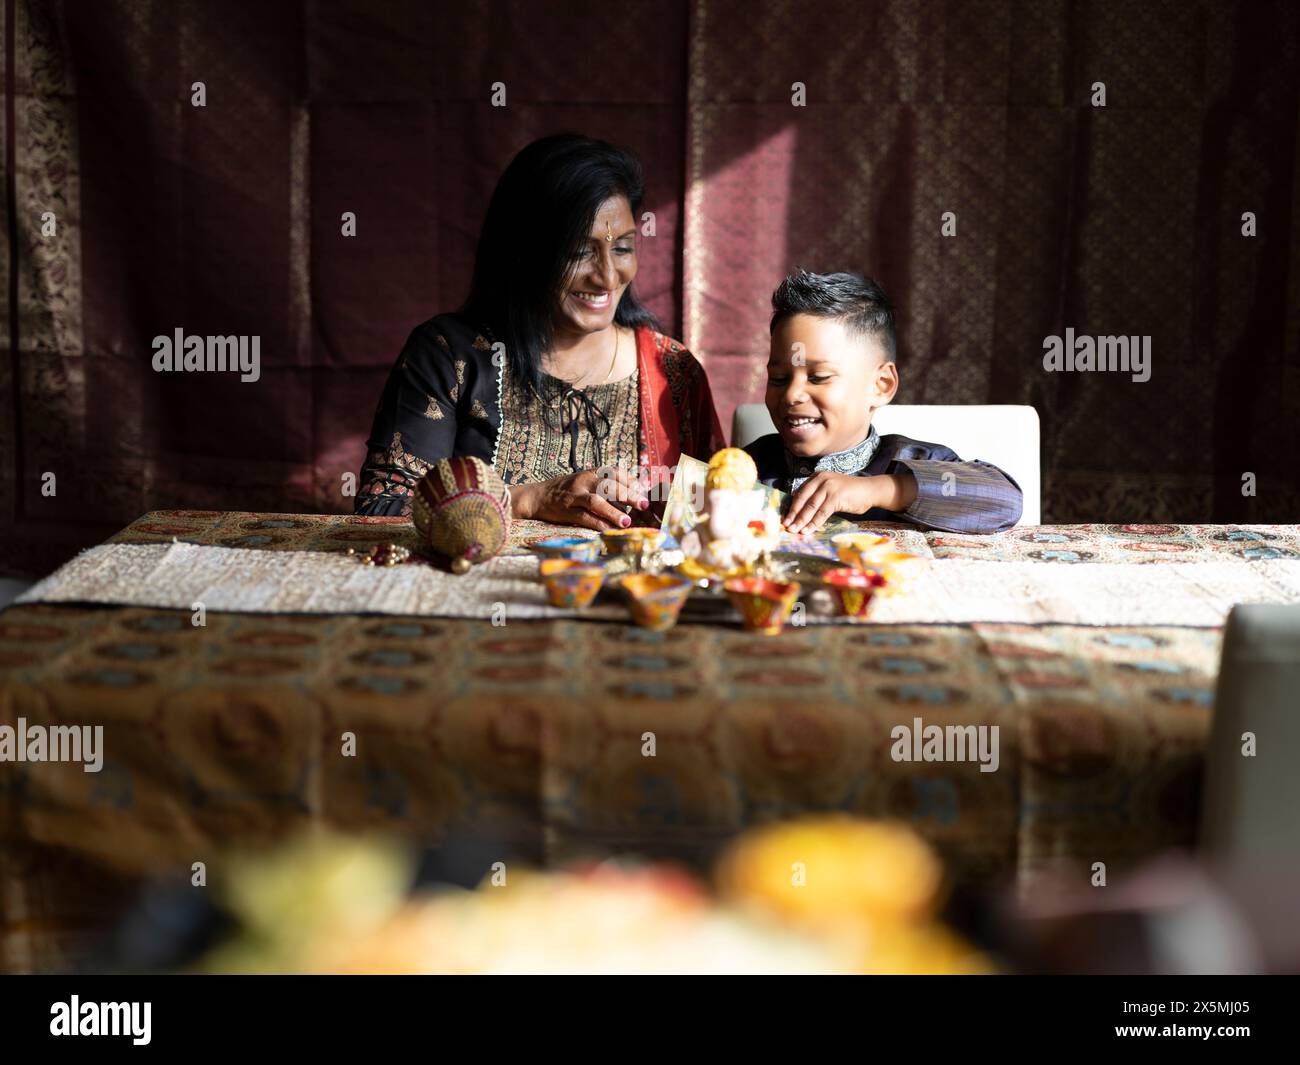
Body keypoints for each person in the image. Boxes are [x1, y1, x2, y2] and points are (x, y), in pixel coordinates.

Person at [355, 133, 724, 530]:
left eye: (621, 248)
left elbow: (720, 515)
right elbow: (383, 509)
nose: (606, 276)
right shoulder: (449, 355)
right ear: (523, 252)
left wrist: (799, 482)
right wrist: (530, 498)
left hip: (631, 593)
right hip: (474, 591)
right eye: (578, 251)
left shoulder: (674, 371)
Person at [746, 270, 1023, 535]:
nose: (792, 394)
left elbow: (1005, 500)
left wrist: (881, 490)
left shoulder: (909, 460)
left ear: (881, 386)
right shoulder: (751, 466)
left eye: (818, 377)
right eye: (779, 378)